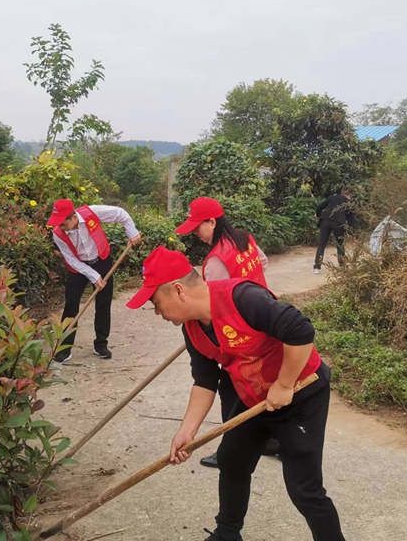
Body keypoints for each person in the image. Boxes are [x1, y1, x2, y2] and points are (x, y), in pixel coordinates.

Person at [126, 247, 345, 541]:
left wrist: (283, 384)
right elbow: (205, 380)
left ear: (178, 290)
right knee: (231, 462)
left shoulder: (241, 298)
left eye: (156, 303)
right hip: (254, 395)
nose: (157, 312)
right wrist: (186, 432)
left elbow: (300, 330)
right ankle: (227, 534)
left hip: (301, 393)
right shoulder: (192, 328)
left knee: (304, 488)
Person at [174, 196, 276, 468]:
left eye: (199, 226)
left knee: (231, 386)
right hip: (262, 316)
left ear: (213, 221)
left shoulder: (215, 260)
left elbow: (214, 303)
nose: (196, 233)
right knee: (264, 379)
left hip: (237, 329)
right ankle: (273, 440)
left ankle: (229, 450)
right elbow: (262, 263)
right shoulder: (245, 238)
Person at [47, 199, 141, 363]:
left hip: (102, 261)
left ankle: (101, 344)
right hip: (78, 268)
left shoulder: (91, 212)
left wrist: (132, 232)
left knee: (103, 304)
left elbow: (120, 214)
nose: (60, 227)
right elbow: (72, 260)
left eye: (63, 224)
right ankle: (64, 348)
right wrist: (94, 276)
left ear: (74, 217)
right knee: (71, 304)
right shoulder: (57, 234)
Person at [314, 189, 357, 274]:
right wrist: (353, 234)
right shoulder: (349, 203)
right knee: (340, 244)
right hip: (338, 223)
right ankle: (342, 265)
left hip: (325, 221)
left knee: (322, 244)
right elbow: (351, 220)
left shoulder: (332, 197)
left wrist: (318, 215)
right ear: (348, 196)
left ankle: (317, 267)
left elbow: (320, 207)